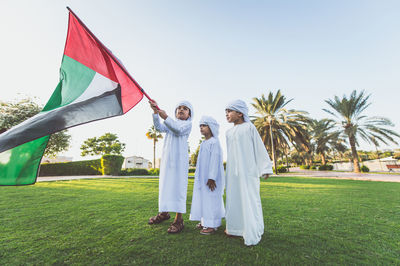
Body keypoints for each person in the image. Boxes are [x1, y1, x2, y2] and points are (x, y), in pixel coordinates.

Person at [224, 99, 273, 246]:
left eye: (229, 111)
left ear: (240, 113)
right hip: (233, 173)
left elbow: (259, 148)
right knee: (234, 199)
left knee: (249, 199)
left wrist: (265, 168)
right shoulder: (228, 132)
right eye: (225, 112)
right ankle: (234, 228)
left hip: (248, 171)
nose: (226, 114)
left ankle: (251, 230)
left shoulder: (249, 127)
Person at [148, 100, 194, 234]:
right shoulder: (170, 123)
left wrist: (165, 117)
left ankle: (179, 220)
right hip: (167, 160)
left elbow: (178, 130)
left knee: (178, 187)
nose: (181, 110)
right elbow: (158, 128)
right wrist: (156, 113)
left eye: (185, 108)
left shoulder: (187, 124)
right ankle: (164, 213)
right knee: (165, 185)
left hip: (179, 161)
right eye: (179, 108)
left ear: (189, 114)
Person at [189, 116, 225, 235]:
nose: (201, 128)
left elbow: (215, 161)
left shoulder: (214, 142)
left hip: (211, 179)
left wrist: (212, 177)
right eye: (200, 126)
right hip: (203, 178)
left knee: (212, 200)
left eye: (204, 125)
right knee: (204, 199)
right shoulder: (204, 143)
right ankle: (205, 221)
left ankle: (212, 225)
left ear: (211, 127)